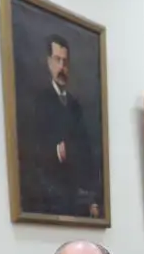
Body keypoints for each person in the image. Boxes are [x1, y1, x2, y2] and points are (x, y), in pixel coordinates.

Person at [18, 33, 100, 219]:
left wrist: (92, 198)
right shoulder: (39, 102)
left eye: (65, 61)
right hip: (50, 196)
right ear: (49, 62)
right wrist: (56, 152)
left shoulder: (75, 105)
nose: (62, 67)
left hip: (76, 197)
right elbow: (30, 152)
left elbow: (87, 153)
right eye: (57, 60)